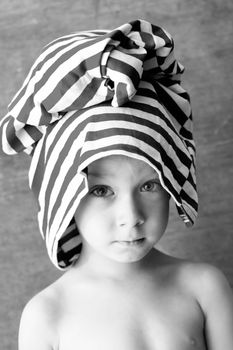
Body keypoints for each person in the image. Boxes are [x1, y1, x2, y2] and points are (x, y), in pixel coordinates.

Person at [1, 19, 233, 350]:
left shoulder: (204, 288)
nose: (131, 216)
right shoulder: (48, 316)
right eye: (101, 190)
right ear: (63, 193)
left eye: (150, 185)